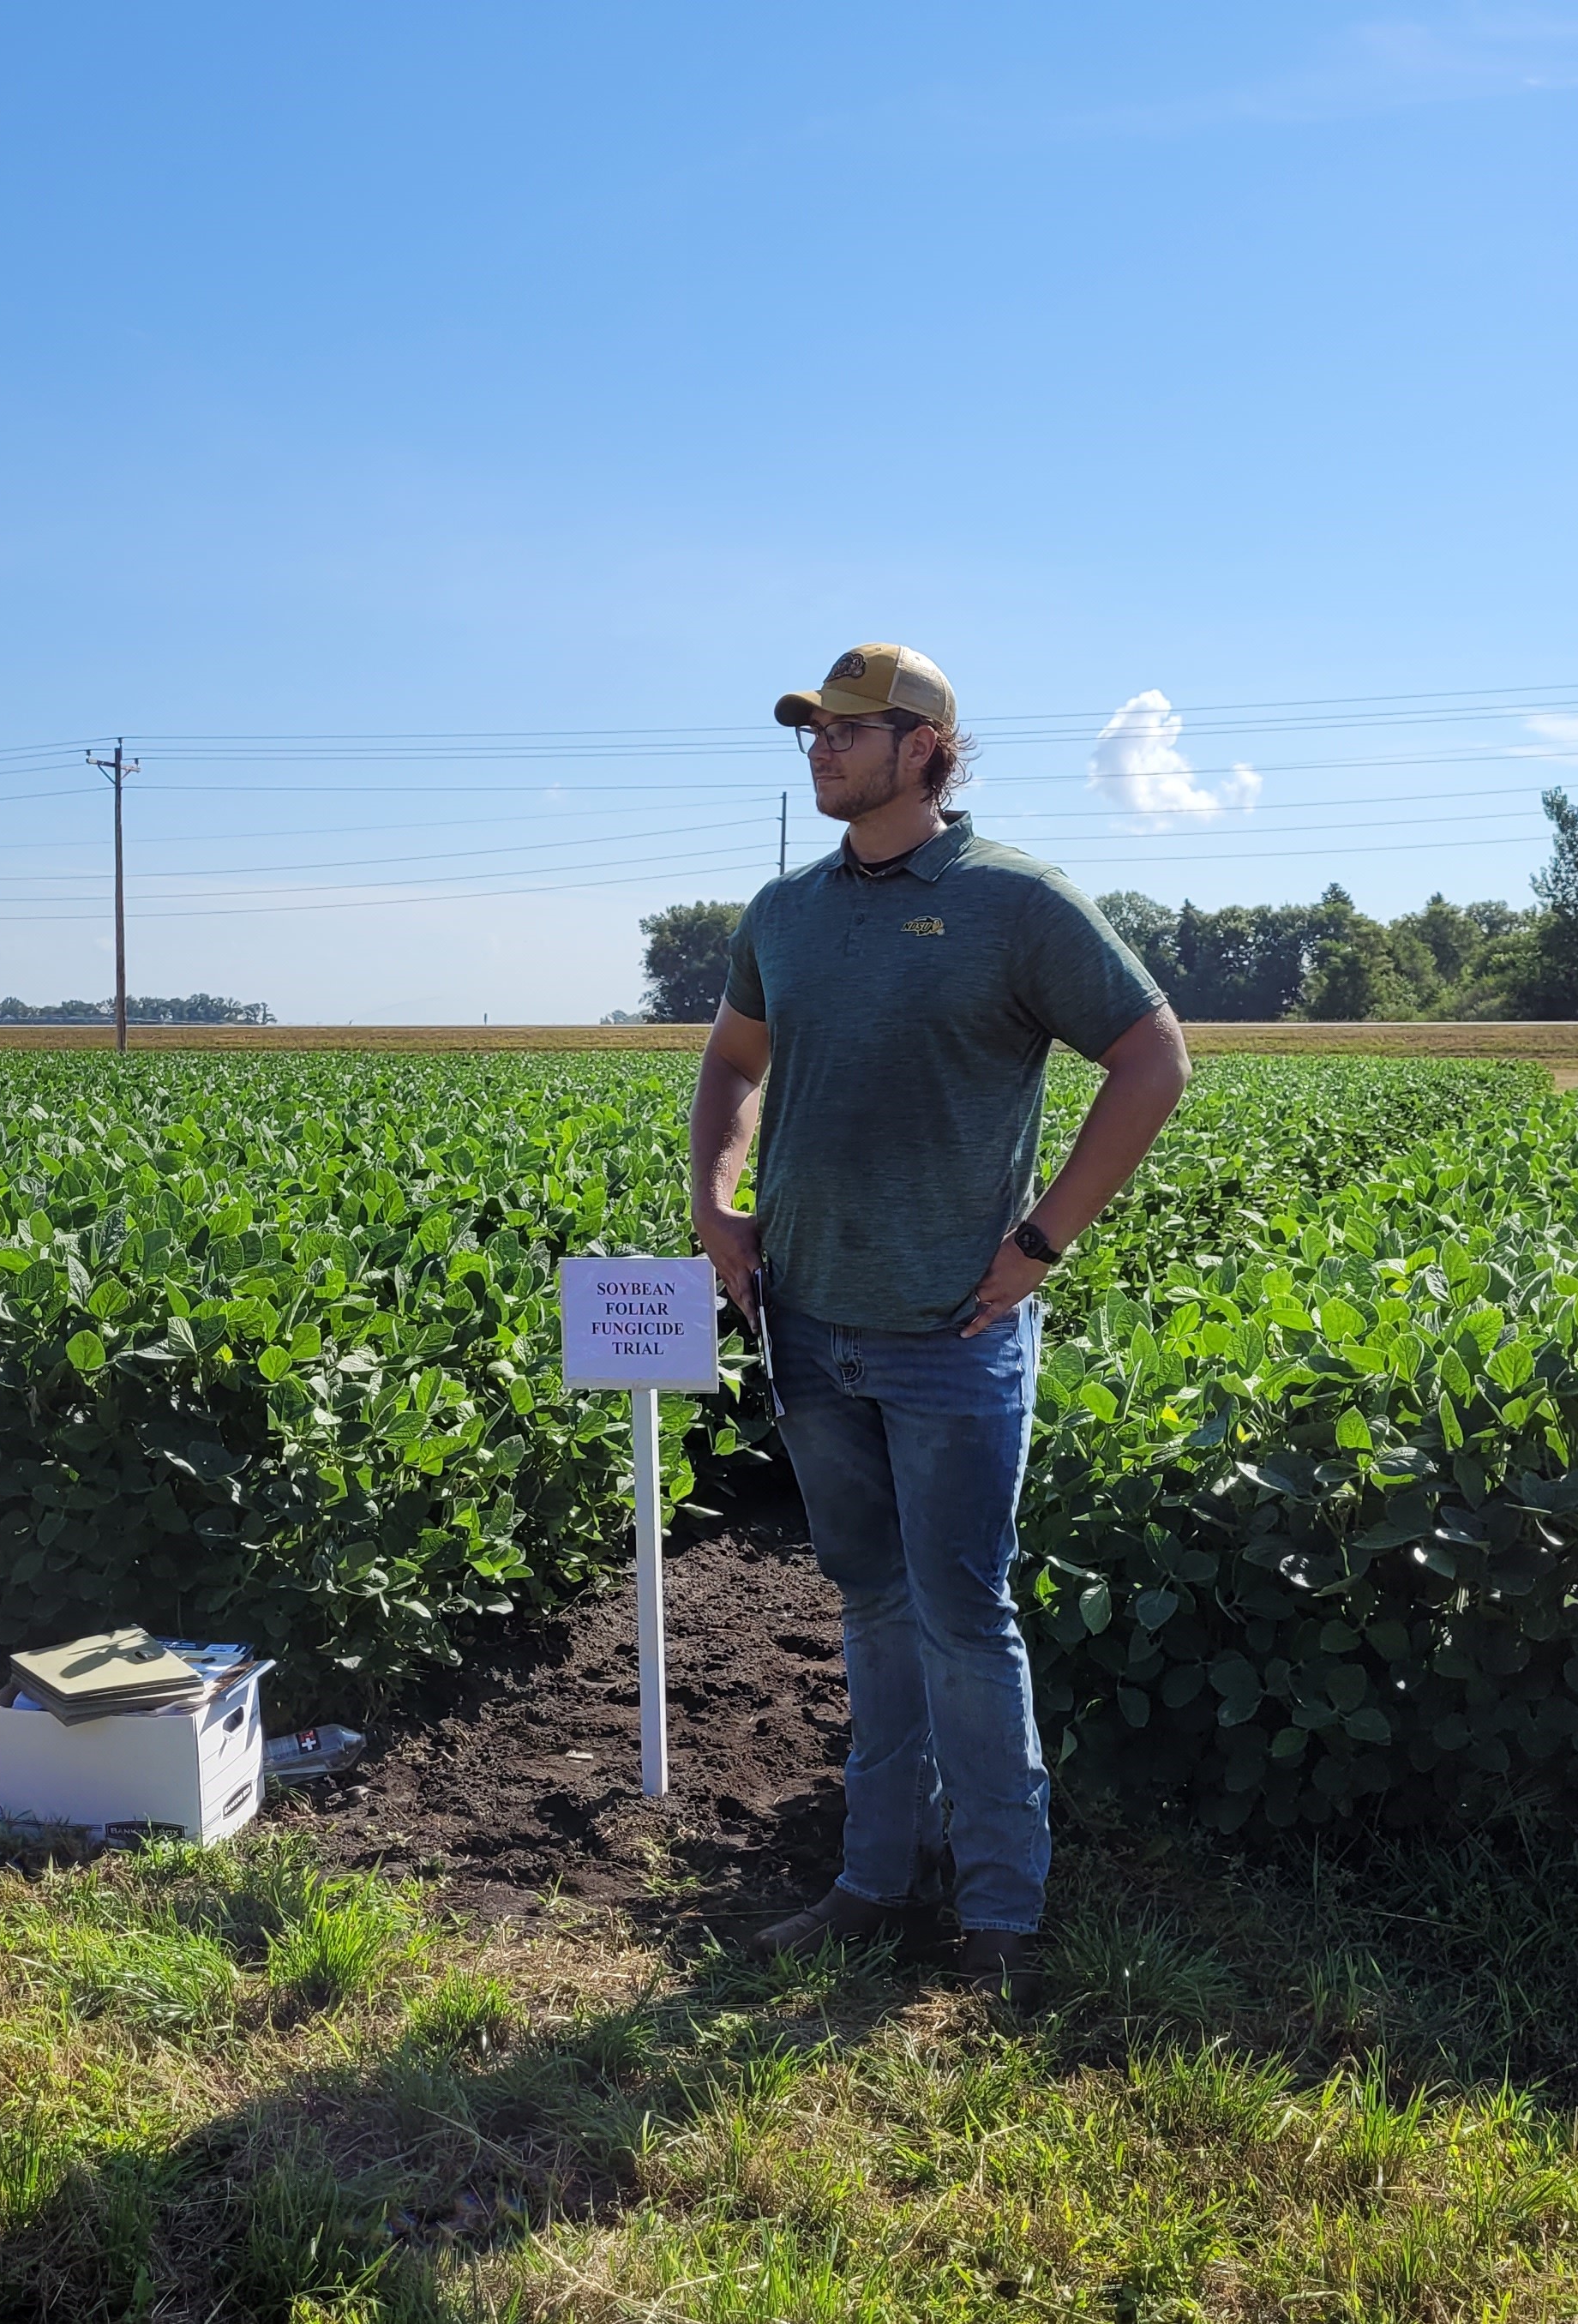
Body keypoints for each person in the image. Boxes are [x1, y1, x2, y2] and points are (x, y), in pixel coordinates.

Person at [691, 645, 1191, 2003]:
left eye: (846, 732)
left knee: (966, 1615)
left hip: (951, 1336)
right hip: (809, 1325)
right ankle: (870, 1878)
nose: (819, 752)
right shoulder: (783, 913)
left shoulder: (1015, 903)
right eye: (811, 732)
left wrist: (1040, 1243)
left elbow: (1155, 1056)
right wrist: (715, 1200)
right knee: (869, 1607)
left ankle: (999, 1914)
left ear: (922, 746)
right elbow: (732, 1057)